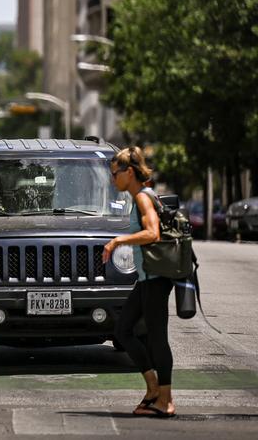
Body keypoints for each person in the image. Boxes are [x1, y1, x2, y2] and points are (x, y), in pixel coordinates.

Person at [103, 146, 176, 418]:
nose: (113, 180)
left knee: (157, 338)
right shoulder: (138, 198)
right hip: (146, 277)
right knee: (123, 331)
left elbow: (152, 233)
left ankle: (165, 400)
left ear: (129, 172)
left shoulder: (144, 198)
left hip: (156, 278)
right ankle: (153, 388)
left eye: (115, 174)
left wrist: (118, 240)